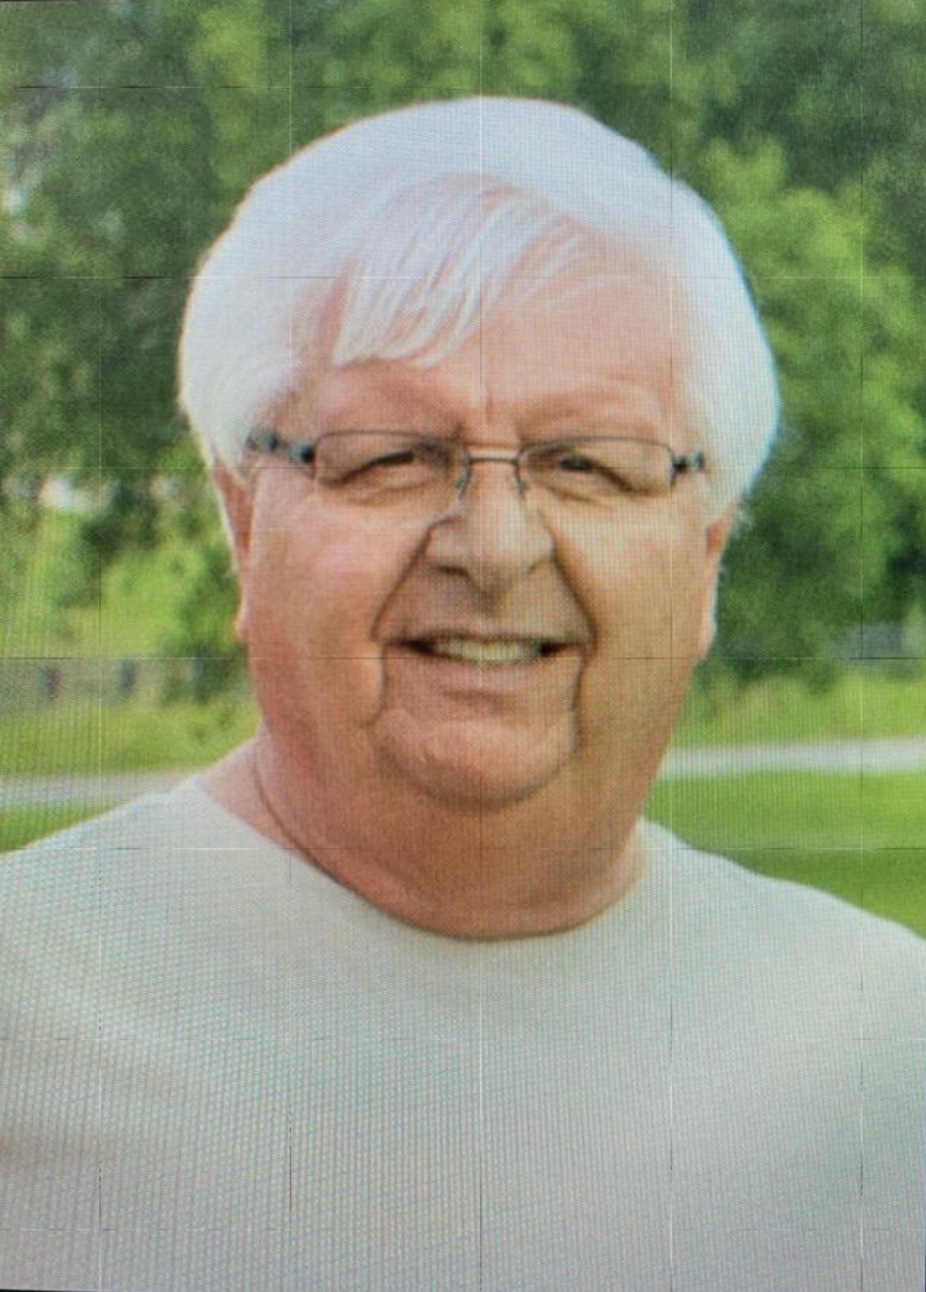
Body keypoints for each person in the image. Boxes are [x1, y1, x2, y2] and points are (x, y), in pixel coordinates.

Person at [2, 98, 924, 1291]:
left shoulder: (878, 1048)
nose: (493, 547)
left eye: (585, 463)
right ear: (243, 521)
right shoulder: (30, 1014)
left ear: (704, 556)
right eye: (390, 454)